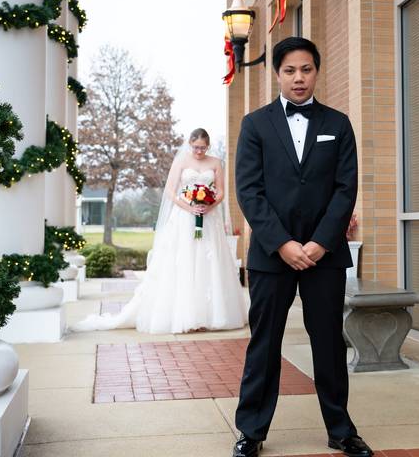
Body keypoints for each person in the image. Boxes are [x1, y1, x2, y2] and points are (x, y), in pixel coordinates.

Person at [232, 38, 372, 457]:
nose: (298, 78)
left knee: (328, 342)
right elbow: (249, 191)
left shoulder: (339, 123)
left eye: (306, 69)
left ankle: (341, 429)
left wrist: (318, 244)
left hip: (324, 256)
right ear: (277, 73)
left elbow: (346, 190)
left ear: (317, 72)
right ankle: (251, 432)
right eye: (290, 70)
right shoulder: (255, 124)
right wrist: (283, 244)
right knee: (265, 343)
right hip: (271, 257)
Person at [70, 128, 247, 334]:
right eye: (196, 147)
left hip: (209, 218)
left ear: (208, 146)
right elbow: (171, 192)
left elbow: (222, 192)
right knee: (185, 261)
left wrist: (209, 204)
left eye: (203, 147)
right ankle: (186, 316)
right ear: (190, 144)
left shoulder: (216, 162)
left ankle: (212, 315)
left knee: (209, 261)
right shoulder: (181, 161)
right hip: (184, 217)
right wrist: (190, 207)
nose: (199, 151)